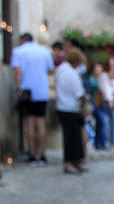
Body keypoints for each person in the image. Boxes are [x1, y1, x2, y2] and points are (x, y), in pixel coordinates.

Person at [10, 33, 54, 166]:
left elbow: (17, 72)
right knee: (40, 123)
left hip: (27, 92)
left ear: (23, 40)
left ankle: (33, 154)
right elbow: (50, 70)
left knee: (30, 124)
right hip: (42, 92)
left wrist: (18, 88)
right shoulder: (44, 51)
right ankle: (43, 154)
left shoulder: (18, 51)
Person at [54, 46, 88, 174]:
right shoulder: (71, 74)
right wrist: (85, 100)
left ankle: (74, 162)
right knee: (72, 139)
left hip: (62, 107)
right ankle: (71, 163)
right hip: (71, 109)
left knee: (71, 138)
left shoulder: (60, 70)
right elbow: (79, 94)